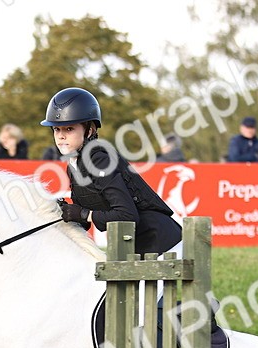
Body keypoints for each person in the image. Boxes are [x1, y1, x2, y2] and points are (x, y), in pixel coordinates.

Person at [40, 87, 181, 257]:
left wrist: (84, 214)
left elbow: (127, 216)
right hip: (138, 249)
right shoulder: (74, 165)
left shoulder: (99, 160)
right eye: (56, 129)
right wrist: (68, 212)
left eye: (69, 129)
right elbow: (86, 220)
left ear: (90, 130)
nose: (61, 136)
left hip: (163, 244)